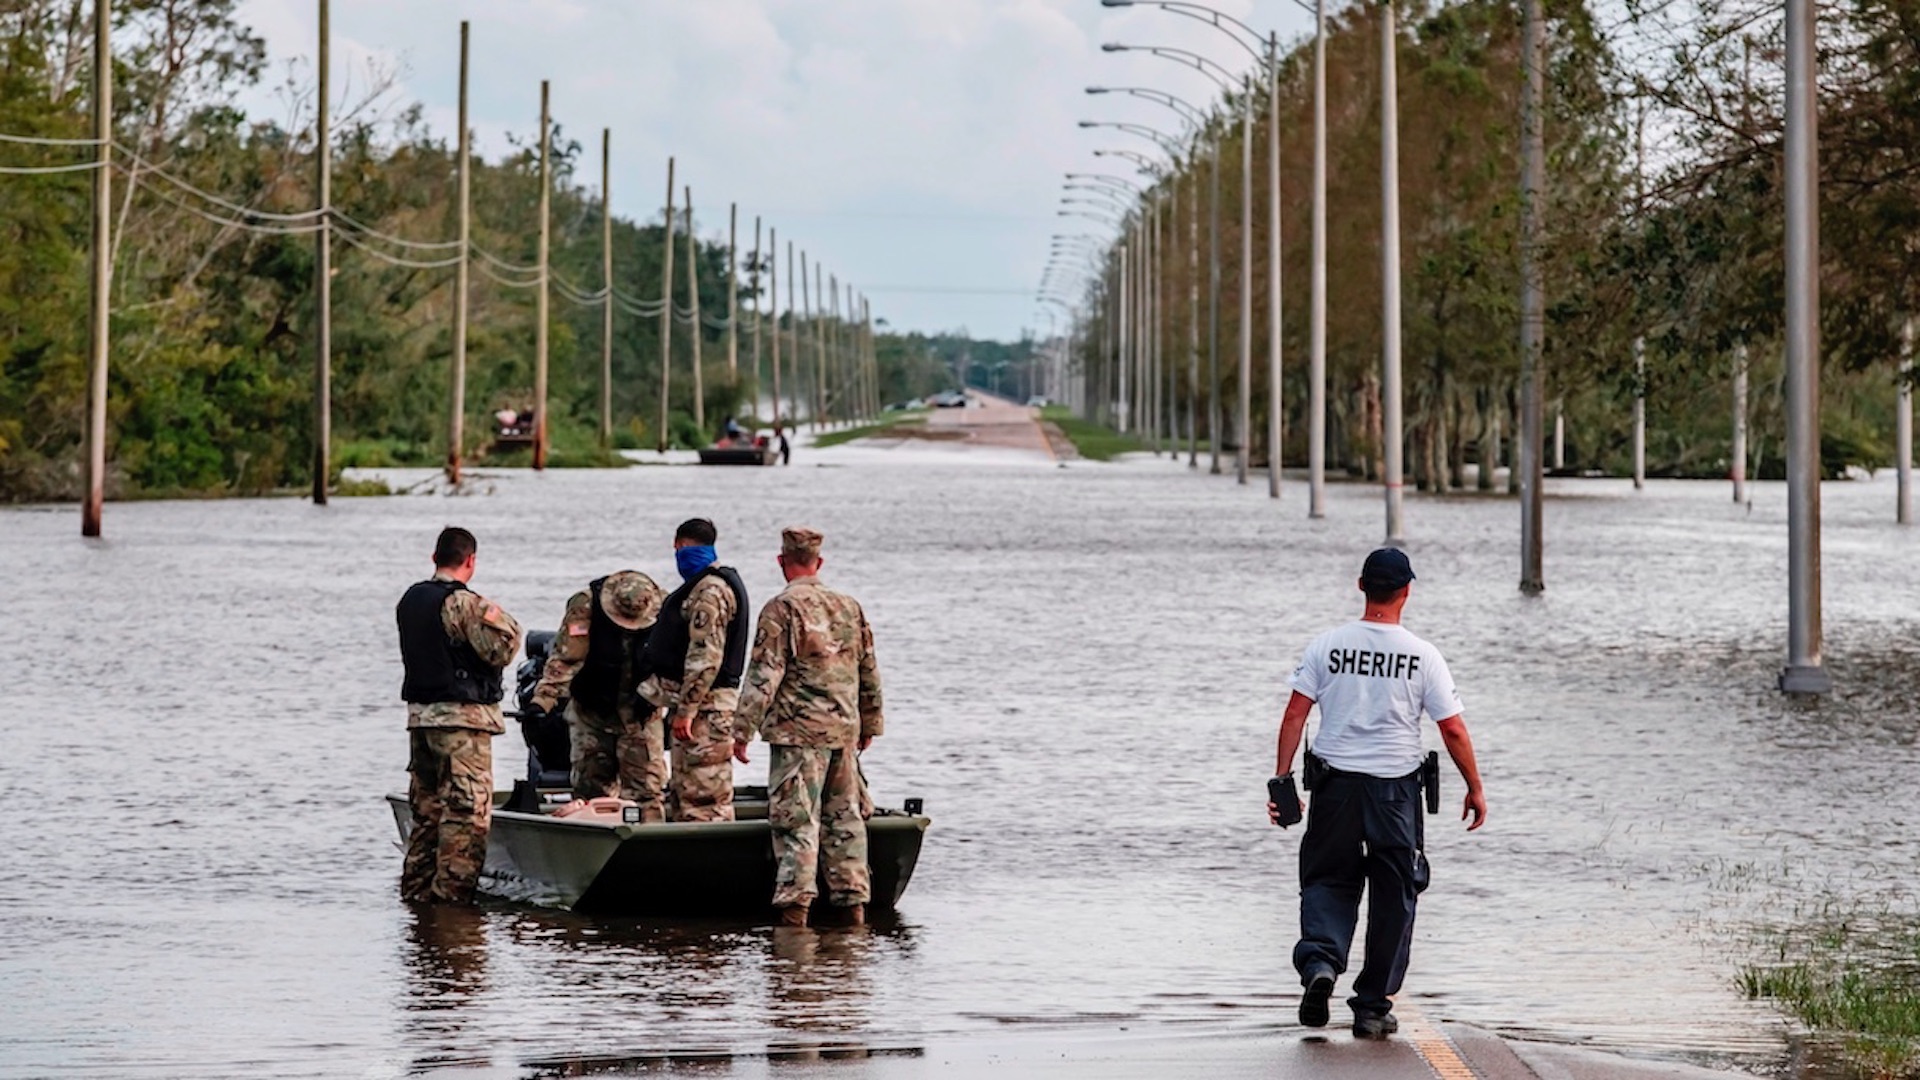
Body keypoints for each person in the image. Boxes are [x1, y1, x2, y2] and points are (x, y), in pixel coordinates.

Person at [1269, 548, 1486, 1039]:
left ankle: (1321, 963)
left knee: (1328, 880)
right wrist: (1474, 787)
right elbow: (1452, 729)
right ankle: (1371, 1007)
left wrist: (1282, 781)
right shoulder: (1423, 655)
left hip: (1335, 790)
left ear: (1361, 586)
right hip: (1395, 794)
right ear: (1407, 591)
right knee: (1395, 895)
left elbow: (1294, 714)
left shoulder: (1327, 646)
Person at [732, 527, 884, 928]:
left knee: (796, 823)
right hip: (843, 731)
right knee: (846, 821)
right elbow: (868, 668)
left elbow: (764, 675)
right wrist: (870, 722)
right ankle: (853, 911)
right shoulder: (849, 606)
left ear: (781, 562)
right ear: (819, 562)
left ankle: (795, 914)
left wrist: (741, 730)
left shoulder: (781, 609)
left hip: (798, 736)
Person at [396, 526, 523, 904]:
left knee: (427, 813)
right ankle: (451, 910)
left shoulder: (410, 599)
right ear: (471, 561)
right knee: (467, 816)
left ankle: (417, 903)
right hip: (461, 725)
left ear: (434, 557)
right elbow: (503, 647)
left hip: (421, 720)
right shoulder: (465, 604)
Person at [526, 570, 669, 818]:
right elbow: (566, 658)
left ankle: (648, 838)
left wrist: (663, 700)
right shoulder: (586, 606)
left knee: (647, 792)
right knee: (590, 793)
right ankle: (592, 837)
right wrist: (542, 700)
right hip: (592, 714)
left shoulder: (665, 610)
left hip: (641, 718)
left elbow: (675, 665)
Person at [637, 518, 751, 822]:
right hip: (700, 708)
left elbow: (705, 657)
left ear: (679, 545)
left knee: (704, 804)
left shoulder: (710, 591)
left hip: (706, 712)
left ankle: (713, 853)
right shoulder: (705, 585)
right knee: (685, 796)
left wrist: (687, 710)